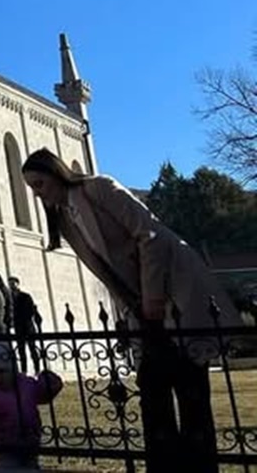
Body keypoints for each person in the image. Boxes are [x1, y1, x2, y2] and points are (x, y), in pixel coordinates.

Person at [22, 147, 243, 473]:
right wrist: (129, 311)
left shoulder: (98, 189)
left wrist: (153, 296)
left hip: (173, 292)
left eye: (39, 183)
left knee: (191, 391)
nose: (37, 193)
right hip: (141, 310)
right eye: (32, 187)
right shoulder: (66, 219)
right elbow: (107, 271)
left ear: (56, 174)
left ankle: (200, 466)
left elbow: (150, 234)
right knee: (154, 396)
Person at [0, 340, 63, 468]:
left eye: (2, 372)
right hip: (4, 444)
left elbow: (41, 394)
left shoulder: (26, 384)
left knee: (31, 465)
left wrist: (50, 384)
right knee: (8, 467)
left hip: (30, 439)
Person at [8, 277, 42, 374]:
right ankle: (24, 370)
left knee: (32, 349)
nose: (11, 286)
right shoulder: (10, 298)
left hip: (28, 326)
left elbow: (31, 310)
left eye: (13, 283)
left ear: (18, 284)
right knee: (21, 350)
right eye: (10, 284)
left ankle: (37, 369)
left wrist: (22, 317)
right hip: (18, 328)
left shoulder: (26, 296)